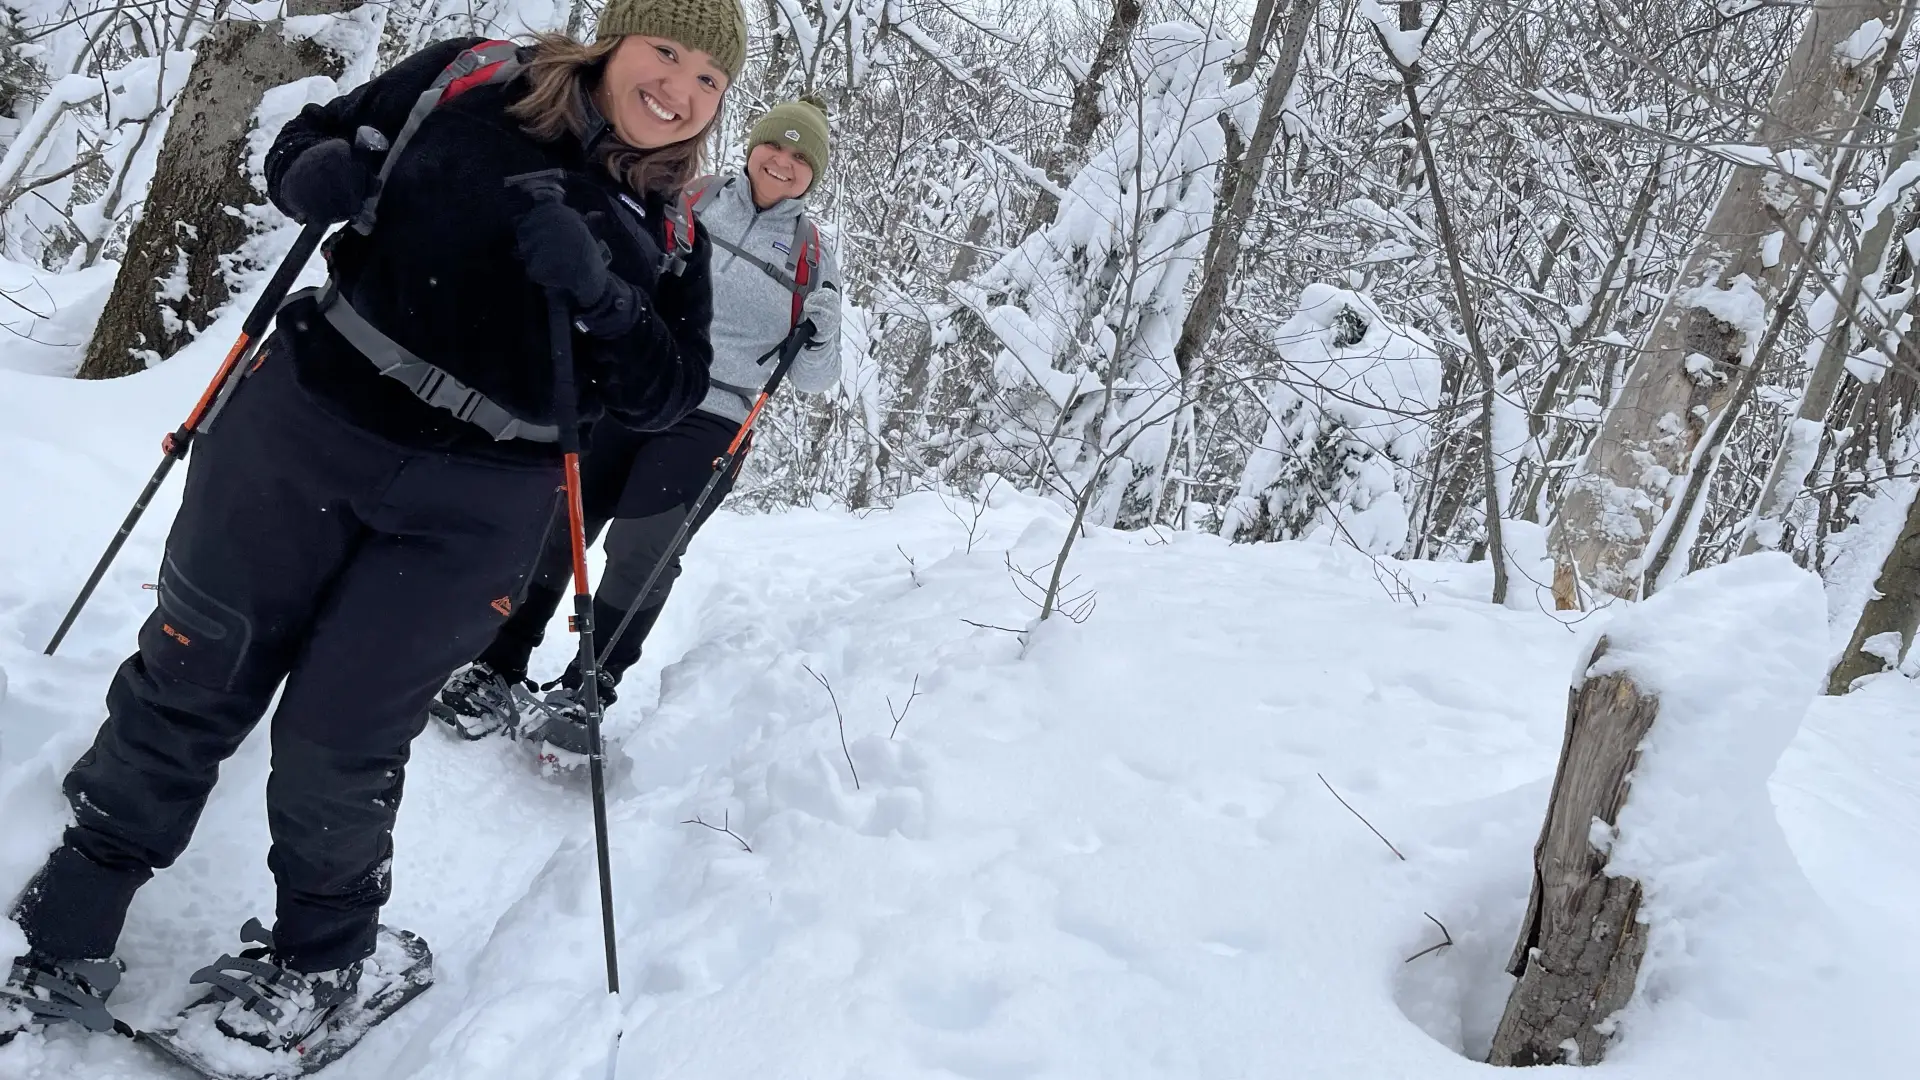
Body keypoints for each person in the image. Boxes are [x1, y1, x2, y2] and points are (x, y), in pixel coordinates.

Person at [1, 0, 748, 1054]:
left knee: (340, 737)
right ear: (614, 38)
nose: (679, 88)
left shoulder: (671, 233)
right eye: (666, 50)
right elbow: (310, 139)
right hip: (304, 423)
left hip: (481, 499)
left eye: (710, 78)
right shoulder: (469, 80)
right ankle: (65, 922)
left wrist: (604, 295)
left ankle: (325, 960)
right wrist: (311, 173)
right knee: (194, 668)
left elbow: (666, 395)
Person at [431, 97, 842, 757]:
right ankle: (497, 664)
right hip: (638, 379)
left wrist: (824, 331)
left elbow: (816, 378)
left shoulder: (812, 255)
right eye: (775, 145)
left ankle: (587, 689)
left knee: (643, 546)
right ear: (754, 146)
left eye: (800, 158)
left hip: (715, 415)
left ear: (812, 174)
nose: (782, 162)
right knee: (562, 519)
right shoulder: (694, 196)